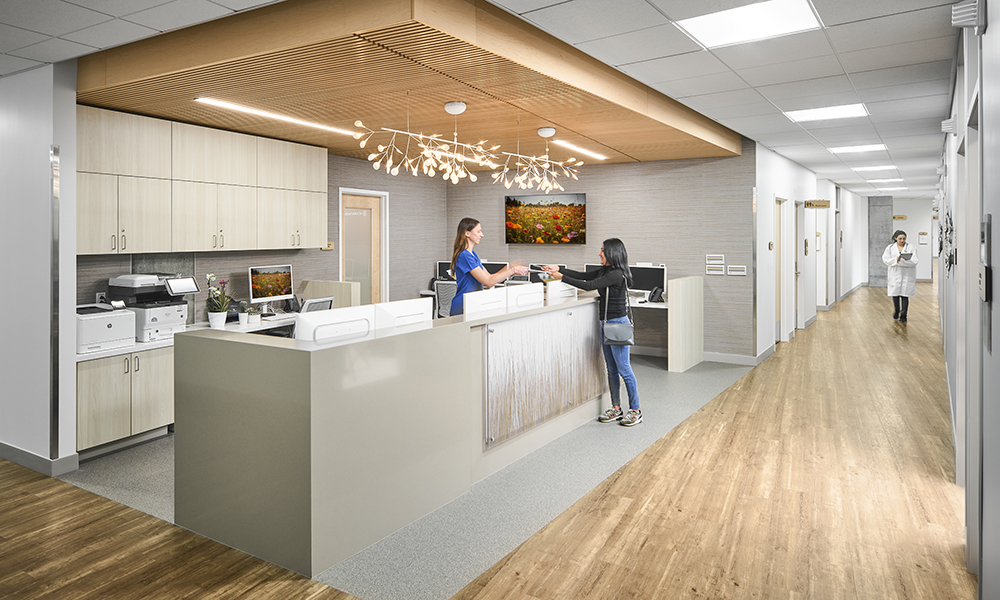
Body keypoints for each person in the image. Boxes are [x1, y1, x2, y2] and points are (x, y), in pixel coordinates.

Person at [543, 238, 641, 426]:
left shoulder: (617, 274)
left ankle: (635, 410)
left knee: (624, 369)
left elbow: (589, 285)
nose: (599, 253)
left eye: (602, 250)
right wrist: (559, 269)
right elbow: (583, 276)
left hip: (618, 323)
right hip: (605, 323)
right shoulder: (606, 270)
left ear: (612, 253)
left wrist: (561, 278)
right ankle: (616, 408)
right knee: (611, 369)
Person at [449, 218, 528, 316]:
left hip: (473, 304)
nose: (482, 235)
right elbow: (488, 282)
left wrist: (510, 267)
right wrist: (512, 270)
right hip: (463, 307)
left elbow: (490, 277)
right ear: (467, 233)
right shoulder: (464, 255)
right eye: (478, 231)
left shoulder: (472, 254)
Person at [882, 229, 919, 322]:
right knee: (895, 294)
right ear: (895, 238)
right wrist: (896, 260)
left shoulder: (911, 247)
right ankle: (897, 310)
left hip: (907, 274)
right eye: (900, 239)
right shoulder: (890, 248)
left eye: (904, 238)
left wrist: (901, 261)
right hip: (894, 274)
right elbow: (885, 259)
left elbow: (914, 261)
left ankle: (903, 315)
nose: (902, 240)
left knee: (905, 295)